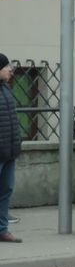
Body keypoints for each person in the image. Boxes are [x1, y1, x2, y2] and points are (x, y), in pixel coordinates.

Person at [0, 54, 21, 243]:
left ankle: (2, 229)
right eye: (7, 66)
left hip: (9, 152)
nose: (10, 70)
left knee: (6, 189)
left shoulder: (6, 89)